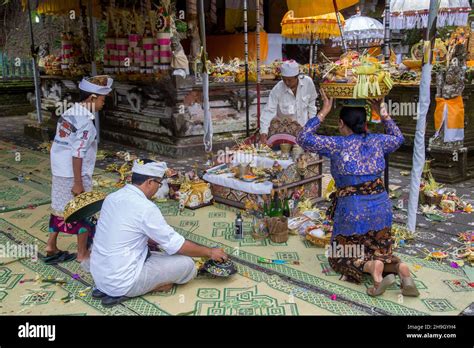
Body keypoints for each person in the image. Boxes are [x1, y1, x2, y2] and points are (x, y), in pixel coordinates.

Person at [297, 94, 419, 297]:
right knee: (379, 249)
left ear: (341, 123)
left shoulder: (337, 144)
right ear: (365, 123)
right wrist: (383, 112)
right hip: (381, 207)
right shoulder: (379, 141)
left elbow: (303, 138)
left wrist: (324, 111)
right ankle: (401, 270)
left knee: (340, 254)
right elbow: (399, 138)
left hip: (352, 210)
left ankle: (373, 270)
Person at [90, 159, 228, 306]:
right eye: (159, 184)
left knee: (160, 252)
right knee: (187, 264)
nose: (158, 189)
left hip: (99, 275)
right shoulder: (145, 207)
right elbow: (178, 246)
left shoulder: (112, 197)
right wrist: (210, 252)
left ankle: (113, 289)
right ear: (149, 182)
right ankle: (144, 288)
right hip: (123, 282)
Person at [44, 75, 113, 266]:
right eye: (102, 99)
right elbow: (78, 153)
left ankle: (51, 245)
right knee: (83, 210)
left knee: (59, 207)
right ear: (91, 98)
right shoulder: (86, 124)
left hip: (59, 169)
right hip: (75, 173)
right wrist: (78, 182)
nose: (103, 103)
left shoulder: (69, 112)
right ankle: (82, 253)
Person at [259, 60, 317, 144]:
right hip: (284, 134)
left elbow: (312, 107)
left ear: (297, 76)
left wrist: (311, 129)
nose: (286, 82)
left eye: (289, 80)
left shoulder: (308, 83)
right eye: (284, 79)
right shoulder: (277, 89)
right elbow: (268, 111)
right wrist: (263, 132)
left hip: (304, 131)